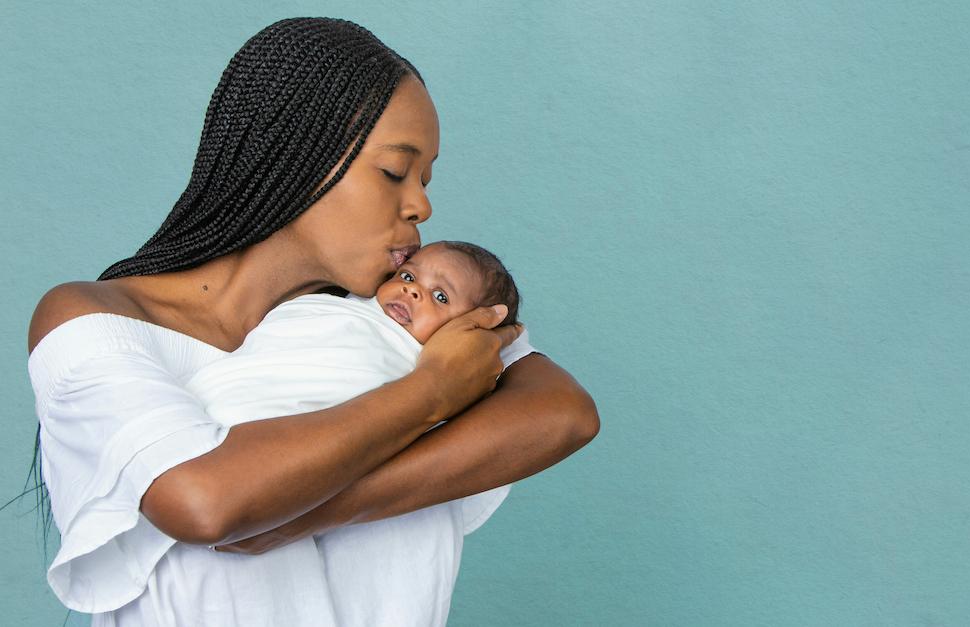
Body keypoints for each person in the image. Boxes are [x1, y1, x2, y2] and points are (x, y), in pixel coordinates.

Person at [25, 17, 599, 627]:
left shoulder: (396, 322)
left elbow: (563, 411)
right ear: (296, 153)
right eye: (394, 171)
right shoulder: (97, 319)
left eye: (426, 179)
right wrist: (432, 392)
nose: (422, 205)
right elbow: (204, 502)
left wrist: (314, 510)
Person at [181, 240, 523, 625]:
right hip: (230, 441)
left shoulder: (451, 365)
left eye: (440, 296)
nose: (412, 290)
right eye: (408, 276)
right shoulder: (336, 308)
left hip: (279, 475)